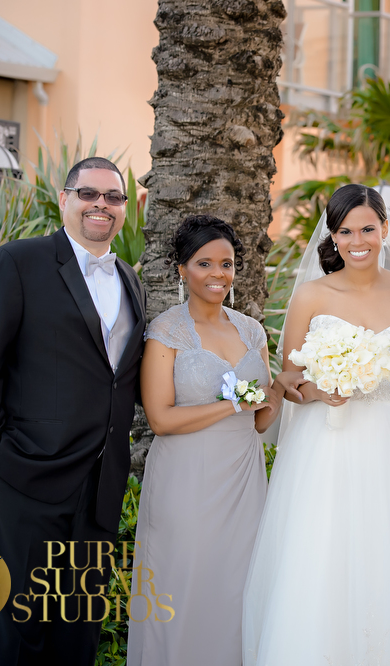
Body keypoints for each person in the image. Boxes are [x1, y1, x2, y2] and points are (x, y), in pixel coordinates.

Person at [243, 184, 390, 664]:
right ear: (333, 237)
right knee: (321, 557)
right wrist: (319, 389)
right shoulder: (312, 295)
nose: (358, 241)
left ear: (385, 229)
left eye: (368, 229)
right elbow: (289, 378)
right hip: (325, 446)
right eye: (345, 231)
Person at [0, 157, 146, 665]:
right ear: (65, 199)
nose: (100, 205)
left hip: (100, 488)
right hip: (25, 479)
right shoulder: (17, 262)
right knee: (12, 634)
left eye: (113, 197)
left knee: (77, 634)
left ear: (125, 208)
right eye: (89, 194)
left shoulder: (131, 281)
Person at [126, 215, 280, 665]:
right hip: (187, 479)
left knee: (237, 588)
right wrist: (235, 403)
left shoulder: (251, 330)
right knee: (186, 584)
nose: (218, 274)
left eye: (227, 264)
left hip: (243, 477)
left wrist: (278, 392)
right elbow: (160, 419)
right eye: (204, 263)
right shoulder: (166, 333)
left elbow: (260, 422)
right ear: (181, 269)